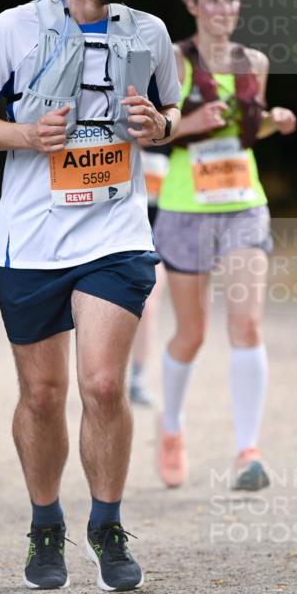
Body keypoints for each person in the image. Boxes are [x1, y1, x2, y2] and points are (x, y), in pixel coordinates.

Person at [0, 0, 180, 592]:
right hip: (31, 237)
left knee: (103, 384)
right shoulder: (12, 31)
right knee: (44, 393)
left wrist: (157, 126)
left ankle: (106, 525)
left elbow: (171, 115)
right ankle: (44, 522)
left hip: (114, 233)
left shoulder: (147, 34)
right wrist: (24, 135)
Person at [153, 0, 297, 491]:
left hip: (242, 203)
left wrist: (274, 121)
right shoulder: (171, 57)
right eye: (212, 0)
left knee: (249, 325)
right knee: (191, 334)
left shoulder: (253, 60)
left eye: (232, 0)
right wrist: (191, 122)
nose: (223, 10)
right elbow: (153, 130)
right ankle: (170, 428)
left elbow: (245, 131)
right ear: (191, 4)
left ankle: (246, 451)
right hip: (185, 208)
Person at [128, 147, 169, 406]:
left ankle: (137, 380)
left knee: (148, 307)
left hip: (154, 242)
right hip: (111, 239)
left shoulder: (168, 147)